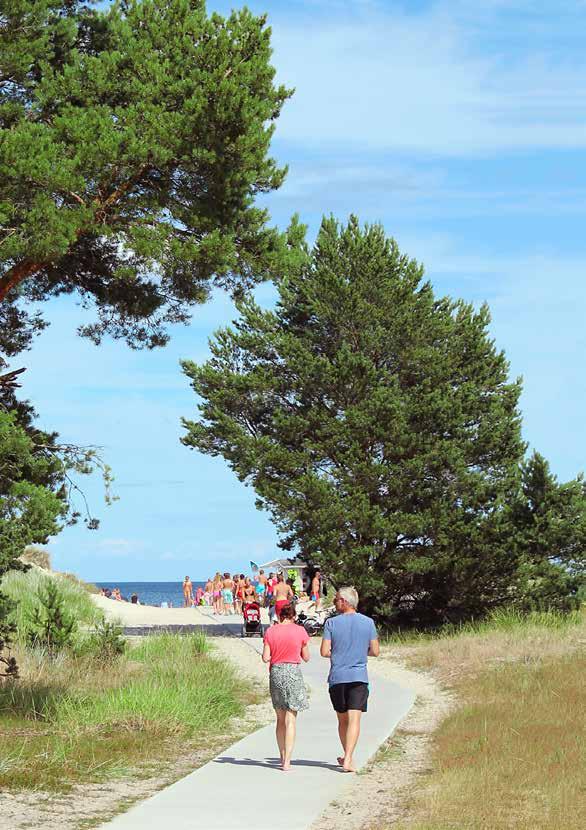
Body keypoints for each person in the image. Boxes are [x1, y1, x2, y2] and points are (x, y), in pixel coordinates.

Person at [320, 586, 379, 773]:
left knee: (342, 720)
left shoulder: (331, 623)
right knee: (355, 719)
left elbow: (323, 651)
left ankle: (346, 755)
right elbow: (376, 651)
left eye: (336, 599)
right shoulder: (368, 623)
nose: (334, 602)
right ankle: (348, 759)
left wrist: (337, 652)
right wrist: (361, 652)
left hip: (338, 677)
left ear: (344, 602)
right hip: (358, 676)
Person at [262, 603, 310, 770]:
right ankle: (287, 761)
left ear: (279, 615)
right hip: (293, 673)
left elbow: (265, 657)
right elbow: (306, 657)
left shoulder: (270, 631)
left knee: (280, 719)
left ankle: (281, 756)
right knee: (291, 719)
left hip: (276, 672)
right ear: (293, 615)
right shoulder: (300, 631)